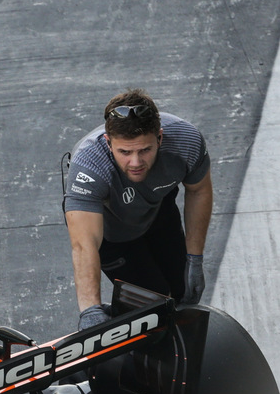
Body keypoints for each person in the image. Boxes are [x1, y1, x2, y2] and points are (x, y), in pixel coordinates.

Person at [63, 89, 213, 330]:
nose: (135, 162)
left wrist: (195, 259)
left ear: (160, 138)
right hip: (114, 234)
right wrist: (90, 309)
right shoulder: (89, 165)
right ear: (108, 142)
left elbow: (199, 190)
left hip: (158, 214)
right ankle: (121, 321)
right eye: (125, 152)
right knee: (155, 308)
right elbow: (84, 244)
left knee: (181, 294)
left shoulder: (186, 141)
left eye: (145, 150)